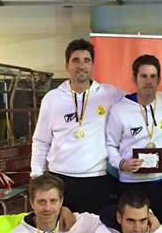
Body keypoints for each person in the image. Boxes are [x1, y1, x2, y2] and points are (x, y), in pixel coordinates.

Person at [31, 39, 125, 214]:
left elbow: (138, 101)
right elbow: (41, 141)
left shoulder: (109, 94)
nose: (81, 66)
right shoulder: (52, 99)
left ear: (92, 65)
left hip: (96, 181)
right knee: (62, 229)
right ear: (67, 65)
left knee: (93, 229)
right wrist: (37, 176)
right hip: (59, 181)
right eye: (75, 60)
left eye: (86, 60)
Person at [106, 55, 162, 223]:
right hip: (131, 184)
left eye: (153, 76)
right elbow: (110, 144)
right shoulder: (119, 110)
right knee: (132, 231)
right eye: (144, 76)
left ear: (159, 79)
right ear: (134, 79)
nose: (148, 81)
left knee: (161, 229)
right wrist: (121, 164)